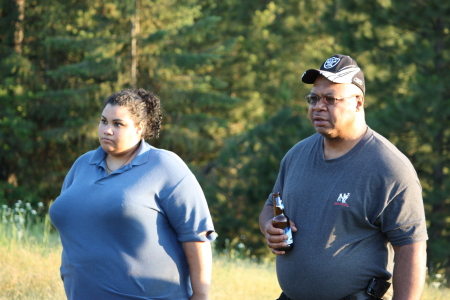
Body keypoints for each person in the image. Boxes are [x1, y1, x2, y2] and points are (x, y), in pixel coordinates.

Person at [259, 54, 428, 300]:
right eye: (313, 98)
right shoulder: (297, 155)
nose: (318, 106)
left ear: (358, 102)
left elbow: (411, 248)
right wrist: (268, 226)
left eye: (330, 99)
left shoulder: (389, 167)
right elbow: (269, 206)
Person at [50, 89, 216, 300]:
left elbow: (196, 235)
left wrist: (201, 296)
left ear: (139, 129)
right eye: (103, 121)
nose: (107, 130)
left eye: (118, 124)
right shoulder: (83, 164)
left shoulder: (165, 166)